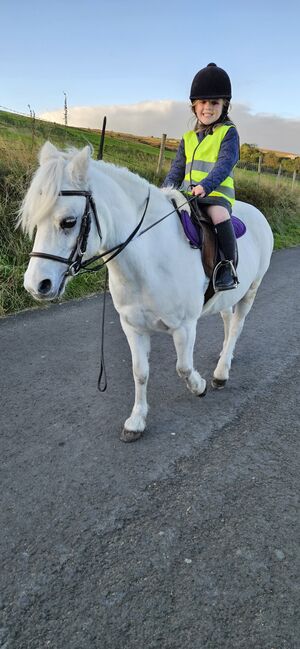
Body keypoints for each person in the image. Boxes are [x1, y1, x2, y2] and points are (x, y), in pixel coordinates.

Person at [162, 62, 240, 291]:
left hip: (215, 196)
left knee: (217, 215)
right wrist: (164, 191)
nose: (208, 107)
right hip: (188, 196)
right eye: (203, 102)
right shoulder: (188, 137)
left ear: (224, 106)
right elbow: (177, 169)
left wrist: (206, 186)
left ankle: (227, 266)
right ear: (194, 107)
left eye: (214, 102)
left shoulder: (228, 133)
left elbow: (225, 165)